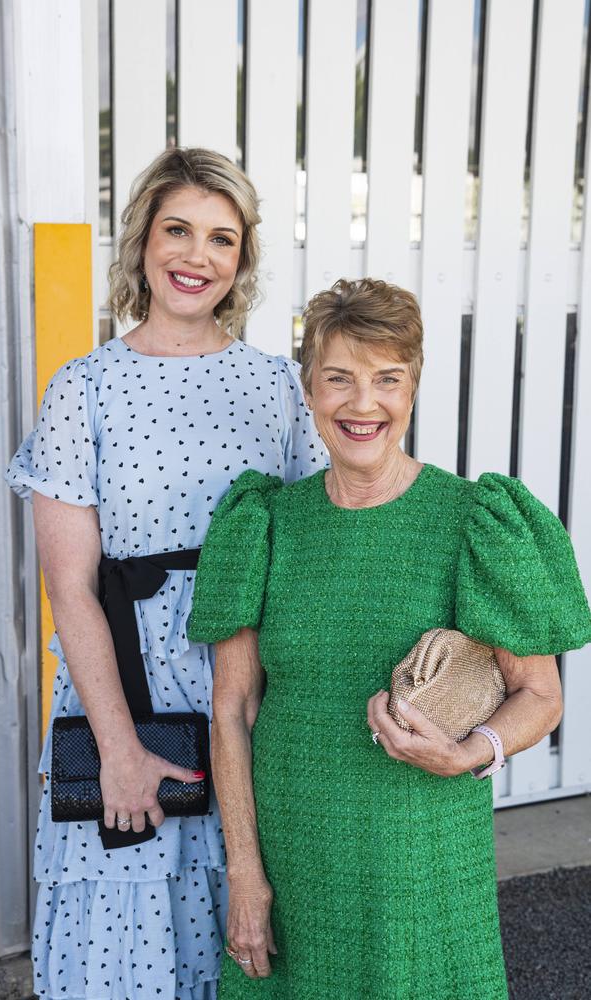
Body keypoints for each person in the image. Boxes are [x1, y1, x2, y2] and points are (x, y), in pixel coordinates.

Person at [188, 277, 591, 999]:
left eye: (387, 379)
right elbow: (232, 709)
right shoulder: (264, 523)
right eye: (338, 378)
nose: (362, 403)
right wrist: (246, 874)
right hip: (292, 858)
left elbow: (540, 694)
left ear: (412, 389)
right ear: (309, 389)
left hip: (423, 861)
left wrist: (471, 750)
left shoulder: (472, 519)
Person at [5, 147, 324, 1000]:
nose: (196, 256)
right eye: (177, 230)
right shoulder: (85, 388)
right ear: (142, 241)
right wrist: (118, 748)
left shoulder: (279, 388)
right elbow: (70, 586)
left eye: (222, 239)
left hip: (250, 689)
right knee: (127, 934)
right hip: (131, 694)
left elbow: (320, 544)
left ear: (242, 260)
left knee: (255, 923)